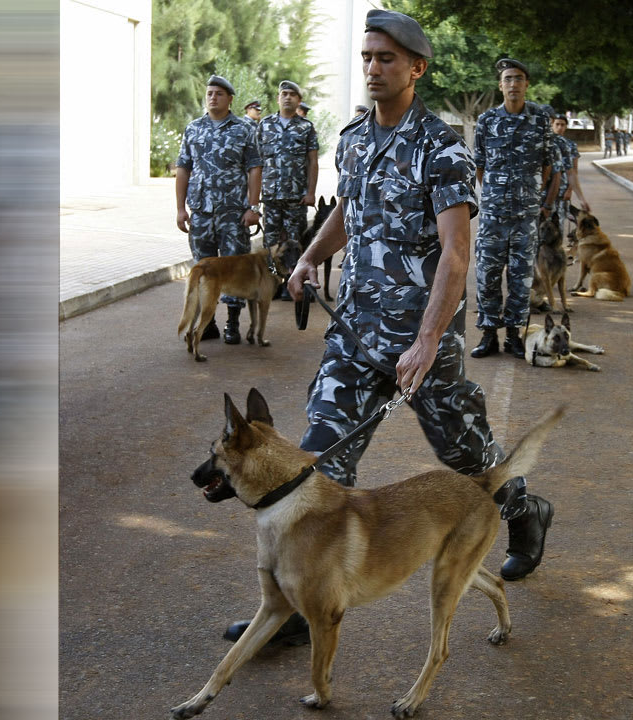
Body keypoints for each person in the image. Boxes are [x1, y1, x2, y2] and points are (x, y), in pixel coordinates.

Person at [223, 8, 556, 647]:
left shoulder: (443, 146)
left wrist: (430, 339)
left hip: (421, 339)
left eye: (387, 60)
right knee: (319, 462)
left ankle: (524, 507)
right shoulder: (353, 139)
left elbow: (457, 252)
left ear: (416, 68)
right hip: (354, 332)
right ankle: (298, 605)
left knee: (466, 460)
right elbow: (350, 209)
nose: (374, 69)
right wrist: (312, 257)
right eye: (368, 58)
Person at [469, 57, 560, 358]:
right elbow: (479, 166)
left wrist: (535, 197)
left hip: (525, 217)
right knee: (488, 275)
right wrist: (494, 194)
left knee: (520, 279)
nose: (513, 84)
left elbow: (547, 164)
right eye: (507, 79)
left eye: (518, 78)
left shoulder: (540, 120)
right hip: (493, 216)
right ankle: (488, 335)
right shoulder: (486, 122)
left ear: (526, 84)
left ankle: (514, 336)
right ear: (500, 85)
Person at [174, 75, 262, 344]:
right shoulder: (193, 128)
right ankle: (207, 322)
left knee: (235, 268)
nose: (213, 97)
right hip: (201, 211)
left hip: (233, 213)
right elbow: (183, 169)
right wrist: (180, 209)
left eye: (219, 94)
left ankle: (232, 323)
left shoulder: (244, 129)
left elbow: (254, 168)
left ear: (230, 99)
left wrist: (253, 206)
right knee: (203, 268)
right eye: (210, 93)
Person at [259, 80, 318, 301]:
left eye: (292, 95)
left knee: (295, 243)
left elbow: (312, 162)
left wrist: (311, 192)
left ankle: (292, 284)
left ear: (299, 101)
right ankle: (273, 283)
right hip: (271, 196)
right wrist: (253, 198)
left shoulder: (306, 127)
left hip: (296, 197)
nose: (287, 98)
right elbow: (256, 162)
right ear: (277, 98)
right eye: (284, 94)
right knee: (271, 243)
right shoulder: (264, 125)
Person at [550, 114, 590, 241]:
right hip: (545, 190)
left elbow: (573, 170)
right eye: (557, 124)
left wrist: (569, 190)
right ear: (552, 125)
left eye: (563, 124)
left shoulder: (570, 145)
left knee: (559, 222)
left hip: (562, 190)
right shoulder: (545, 142)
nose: (560, 127)